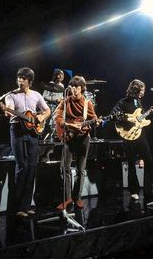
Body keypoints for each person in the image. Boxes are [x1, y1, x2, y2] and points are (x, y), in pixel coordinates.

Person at [3, 67, 51, 217]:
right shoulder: (11, 95)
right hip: (17, 130)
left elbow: (47, 110)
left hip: (32, 133)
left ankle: (26, 205)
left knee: (31, 167)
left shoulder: (36, 95)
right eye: (18, 78)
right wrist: (6, 110)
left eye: (23, 78)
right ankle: (17, 207)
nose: (20, 80)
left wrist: (42, 118)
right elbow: (9, 109)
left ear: (29, 81)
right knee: (21, 166)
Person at [111, 79, 153, 203]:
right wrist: (129, 120)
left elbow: (142, 119)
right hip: (128, 136)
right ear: (134, 90)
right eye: (141, 90)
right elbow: (114, 114)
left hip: (140, 135)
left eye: (143, 91)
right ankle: (134, 191)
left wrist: (150, 112)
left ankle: (150, 192)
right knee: (131, 163)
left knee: (149, 161)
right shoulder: (122, 102)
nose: (143, 93)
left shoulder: (138, 103)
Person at [55, 75, 99, 210]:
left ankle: (77, 197)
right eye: (72, 87)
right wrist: (68, 125)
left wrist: (95, 123)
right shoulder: (65, 101)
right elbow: (57, 117)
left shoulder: (87, 103)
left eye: (77, 87)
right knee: (64, 167)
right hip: (68, 137)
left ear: (82, 88)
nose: (74, 89)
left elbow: (94, 119)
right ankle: (67, 198)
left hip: (83, 138)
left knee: (81, 169)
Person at [42, 69, 65, 139]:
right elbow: (44, 96)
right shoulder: (50, 84)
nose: (61, 76)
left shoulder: (62, 85)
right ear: (56, 76)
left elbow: (61, 96)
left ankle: (55, 136)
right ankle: (45, 136)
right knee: (46, 123)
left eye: (62, 75)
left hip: (57, 106)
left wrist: (62, 100)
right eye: (59, 74)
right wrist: (55, 99)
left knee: (55, 122)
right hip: (49, 106)